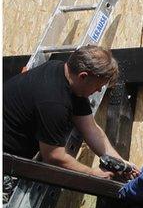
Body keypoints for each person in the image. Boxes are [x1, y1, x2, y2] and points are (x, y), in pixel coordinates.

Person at [3, 45, 132, 179]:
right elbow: (53, 156)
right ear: (83, 76)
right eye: (98, 85)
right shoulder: (53, 102)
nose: (99, 90)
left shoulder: (63, 73)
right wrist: (91, 173)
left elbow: (91, 129)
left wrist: (122, 164)